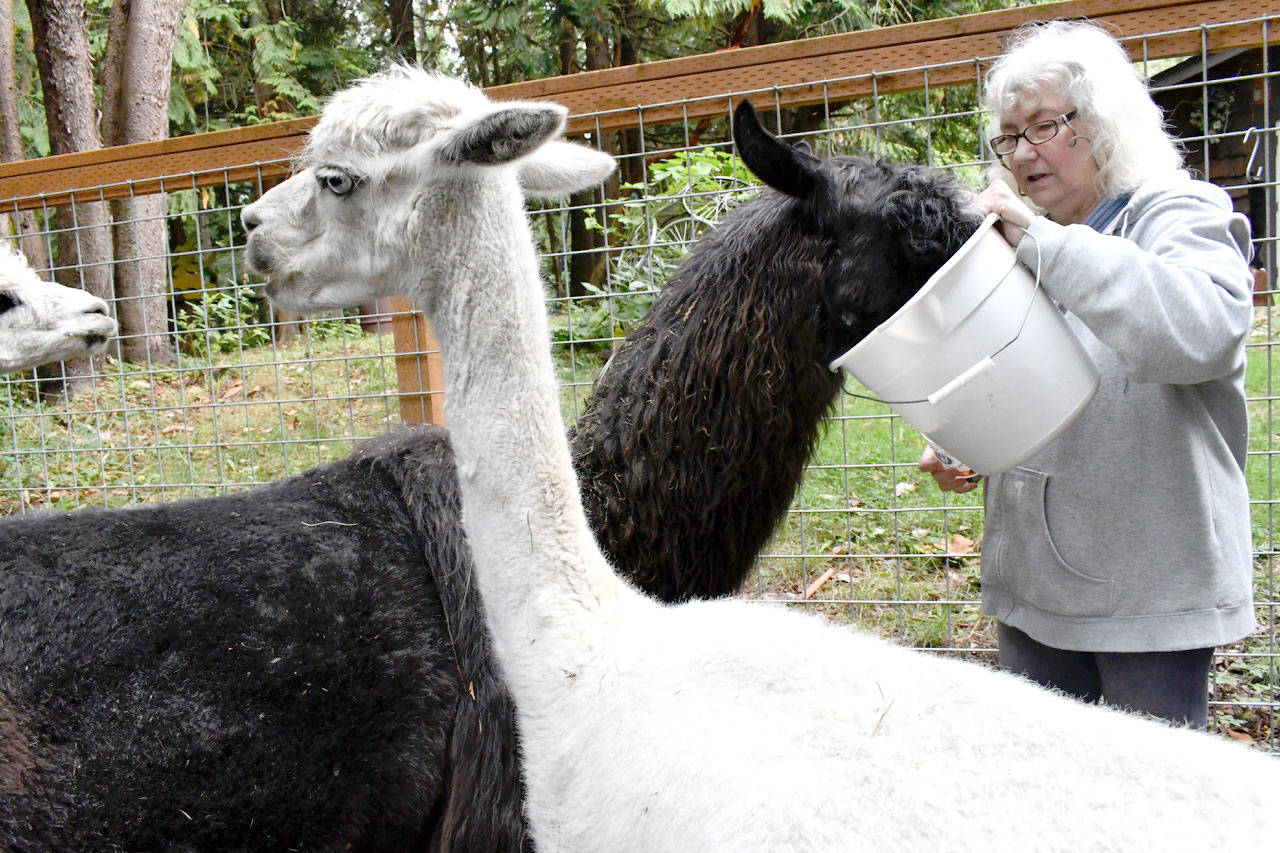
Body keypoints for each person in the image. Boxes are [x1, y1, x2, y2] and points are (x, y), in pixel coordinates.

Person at [919, 20, 1256, 729]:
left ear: (1103, 121)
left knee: (1152, 819)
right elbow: (1010, 372)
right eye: (1009, 137)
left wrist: (1042, 244)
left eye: (1043, 126)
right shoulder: (1024, 239)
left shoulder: (1178, 210)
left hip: (1149, 599)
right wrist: (963, 439)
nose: (1021, 153)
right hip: (1034, 594)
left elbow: (1204, 331)